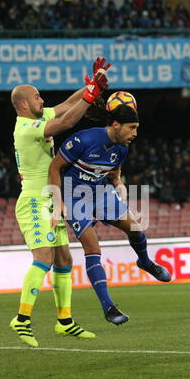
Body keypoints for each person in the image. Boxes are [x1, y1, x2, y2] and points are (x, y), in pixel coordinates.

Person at [9, 57, 111, 347]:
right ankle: (22, 319)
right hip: (33, 200)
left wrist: (90, 85)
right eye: (38, 96)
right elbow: (66, 121)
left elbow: (66, 106)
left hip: (49, 199)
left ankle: (64, 322)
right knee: (44, 258)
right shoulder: (26, 129)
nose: (43, 99)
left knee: (64, 259)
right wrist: (90, 97)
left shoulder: (37, 118)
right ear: (24, 104)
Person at [48, 102, 171, 326]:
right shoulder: (83, 140)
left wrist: (118, 182)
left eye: (136, 128)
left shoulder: (123, 147)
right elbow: (54, 168)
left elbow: (113, 170)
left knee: (136, 227)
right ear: (115, 125)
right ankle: (109, 307)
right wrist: (58, 203)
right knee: (93, 248)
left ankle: (144, 262)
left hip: (100, 192)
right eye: (131, 127)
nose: (135, 133)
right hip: (74, 197)